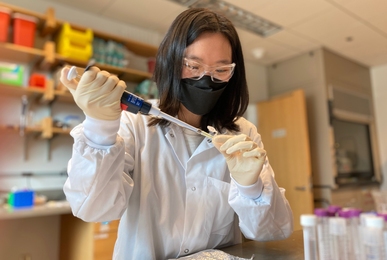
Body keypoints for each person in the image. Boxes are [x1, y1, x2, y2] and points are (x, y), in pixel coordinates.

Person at [60, 7, 293, 260]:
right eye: (193, 65)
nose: (206, 79)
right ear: (170, 62)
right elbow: (93, 210)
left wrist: (251, 188)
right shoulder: (135, 124)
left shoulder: (243, 133)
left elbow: (273, 230)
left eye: (221, 70)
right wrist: (100, 127)